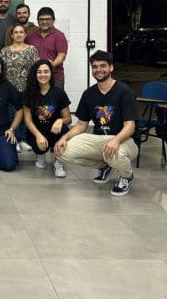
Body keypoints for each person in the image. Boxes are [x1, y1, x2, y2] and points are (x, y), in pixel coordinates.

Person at [54, 51, 139, 196]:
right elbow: (81, 125)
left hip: (125, 140)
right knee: (61, 152)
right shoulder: (89, 93)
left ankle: (126, 176)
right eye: (94, 66)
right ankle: (105, 166)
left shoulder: (124, 91)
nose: (98, 70)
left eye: (102, 66)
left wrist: (116, 140)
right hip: (100, 140)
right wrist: (64, 138)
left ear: (111, 67)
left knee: (114, 154)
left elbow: (130, 126)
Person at [21, 60, 72, 177]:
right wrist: (38, 136)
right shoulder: (28, 93)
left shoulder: (59, 92)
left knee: (64, 130)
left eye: (46, 71)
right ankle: (40, 156)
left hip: (54, 131)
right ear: (35, 74)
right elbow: (27, 120)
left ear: (51, 73)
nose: (43, 75)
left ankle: (58, 162)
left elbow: (68, 118)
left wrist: (60, 120)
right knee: (37, 143)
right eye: (39, 72)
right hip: (37, 130)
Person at [25, 7, 68, 89]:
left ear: (53, 20)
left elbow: (61, 56)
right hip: (36, 77)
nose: (44, 22)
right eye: (41, 19)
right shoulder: (31, 36)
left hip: (55, 78)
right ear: (38, 21)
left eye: (48, 19)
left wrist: (50, 66)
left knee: (55, 97)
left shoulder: (59, 36)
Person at [0, 24, 40, 93]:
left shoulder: (32, 50)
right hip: (9, 90)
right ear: (12, 35)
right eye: (16, 32)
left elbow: (37, 69)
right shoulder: (4, 51)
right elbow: (1, 71)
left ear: (25, 35)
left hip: (28, 90)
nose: (19, 34)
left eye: (21, 32)